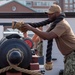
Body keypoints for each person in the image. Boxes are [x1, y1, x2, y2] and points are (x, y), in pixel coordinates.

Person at [21, 4, 75, 75]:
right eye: (48, 14)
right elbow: (44, 36)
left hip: (72, 55)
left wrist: (31, 28)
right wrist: (30, 28)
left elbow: (48, 36)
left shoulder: (62, 24)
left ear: (57, 13)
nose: (48, 15)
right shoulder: (55, 24)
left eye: (50, 14)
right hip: (69, 56)